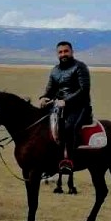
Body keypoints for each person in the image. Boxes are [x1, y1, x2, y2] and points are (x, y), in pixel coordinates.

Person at [37, 41, 92, 176]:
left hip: (80, 107)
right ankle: (47, 161)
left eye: (66, 51)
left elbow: (84, 89)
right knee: (41, 124)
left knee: (68, 128)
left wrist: (66, 101)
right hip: (59, 107)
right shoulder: (55, 70)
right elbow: (50, 90)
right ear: (57, 54)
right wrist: (44, 97)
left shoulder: (80, 67)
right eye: (60, 52)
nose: (63, 54)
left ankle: (68, 161)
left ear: (72, 52)